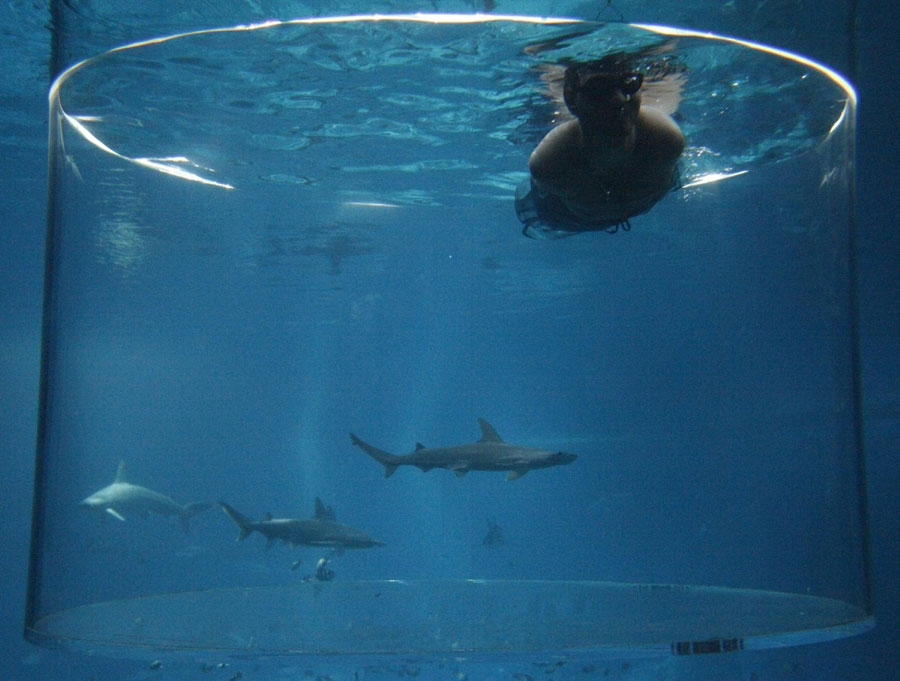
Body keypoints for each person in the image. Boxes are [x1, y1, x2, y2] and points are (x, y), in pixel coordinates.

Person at [516, 53, 685, 238]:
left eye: (629, 83)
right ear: (570, 99)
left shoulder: (666, 141)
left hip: (585, 212)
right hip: (568, 216)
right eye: (600, 89)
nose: (620, 99)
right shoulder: (550, 164)